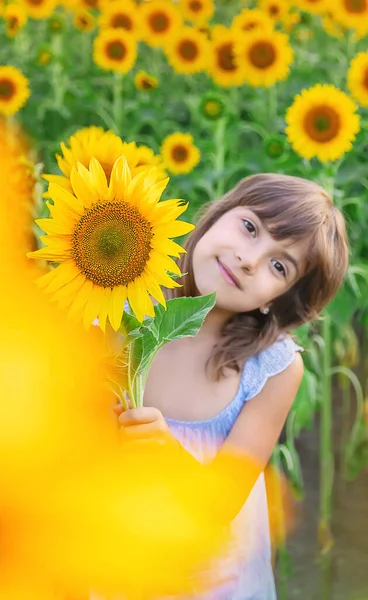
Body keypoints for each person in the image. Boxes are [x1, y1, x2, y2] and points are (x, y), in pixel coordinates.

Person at [114, 173, 349, 599]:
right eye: (250, 227)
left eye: (279, 266)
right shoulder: (116, 308)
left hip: (208, 582)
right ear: (217, 215)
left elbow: (219, 505)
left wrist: (166, 453)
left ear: (277, 299)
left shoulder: (272, 369)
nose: (249, 260)